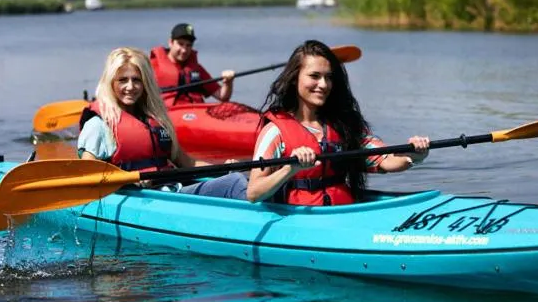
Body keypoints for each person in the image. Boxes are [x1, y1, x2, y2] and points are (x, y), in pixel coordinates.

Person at [246, 39, 430, 206]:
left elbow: (386, 160)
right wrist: (290, 168)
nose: (324, 84)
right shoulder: (275, 131)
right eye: (314, 76)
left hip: (342, 210)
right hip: (297, 215)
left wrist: (414, 155)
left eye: (328, 77)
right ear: (295, 79)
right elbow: (254, 193)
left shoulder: (344, 126)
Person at [77, 47, 248, 199]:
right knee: (233, 184)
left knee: (236, 179)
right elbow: (88, 174)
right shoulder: (98, 125)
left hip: (169, 192)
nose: (130, 87)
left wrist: (224, 168)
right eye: (123, 80)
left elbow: (189, 164)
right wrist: (127, 180)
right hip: (138, 198)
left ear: (145, 83)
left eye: (136, 80)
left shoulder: (156, 120)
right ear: (111, 82)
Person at [149, 23, 236, 107]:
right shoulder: (152, 66)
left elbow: (222, 96)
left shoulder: (197, 69)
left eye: (188, 45)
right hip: (168, 113)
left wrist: (228, 83)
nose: (184, 50)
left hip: (196, 113)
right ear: (170, 42)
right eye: (180, 44)